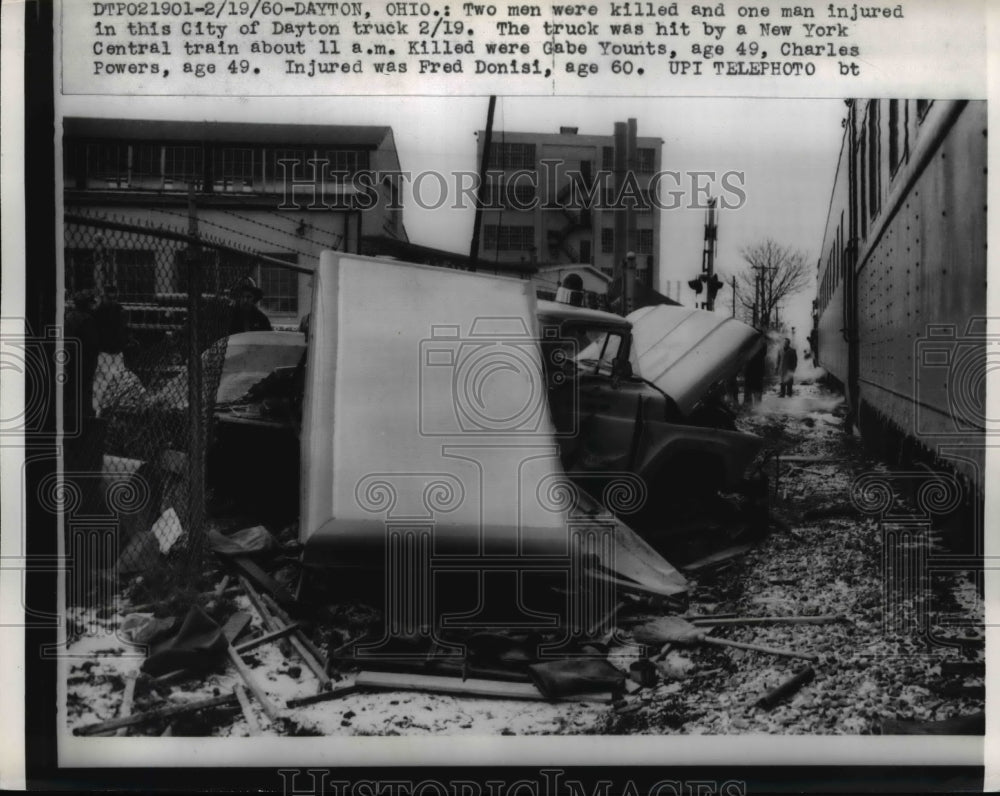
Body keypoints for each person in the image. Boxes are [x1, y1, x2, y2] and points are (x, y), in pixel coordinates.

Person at [744, 339, 766, 404]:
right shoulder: (762, 343)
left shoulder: (760, 343)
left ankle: (750, 406)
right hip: (757, 370)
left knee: (750, 389)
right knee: (755, 389)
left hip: (753, 370)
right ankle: (754, 406)